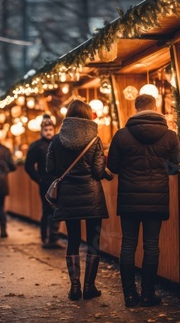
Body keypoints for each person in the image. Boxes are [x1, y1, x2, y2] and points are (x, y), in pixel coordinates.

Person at [107, 94, 180, 307]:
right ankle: (148, 294)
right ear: (155, 108)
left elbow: (112, 167)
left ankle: (130, 296)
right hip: (156, 199)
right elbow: (175, 167)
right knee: (151, 245)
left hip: (129, 198)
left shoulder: (121, 135)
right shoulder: (170, 135)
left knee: (128, 244)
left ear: (136, 109)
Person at [46, 100, 113, 301]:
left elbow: (50, 168)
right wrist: (109, 174)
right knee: (93, 241)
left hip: (68, 196)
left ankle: (74, 287)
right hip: (91, 197)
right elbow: (99, 171)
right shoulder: (94, 140)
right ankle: (90, 287)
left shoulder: (57, 140)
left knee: (73, 240)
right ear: (87, 116)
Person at [25, 114, 63, 249]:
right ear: (41, 131)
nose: (48, 132)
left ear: (54, 130)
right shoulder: (36, 146)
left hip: (57, 182)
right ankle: (46, 237)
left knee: (56, 209)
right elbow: (28, 166)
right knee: (47, 210)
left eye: (50, 130)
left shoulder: (58, 144)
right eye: (46, 130)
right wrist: (39, 179)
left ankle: (53, 237)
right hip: (45, 182)